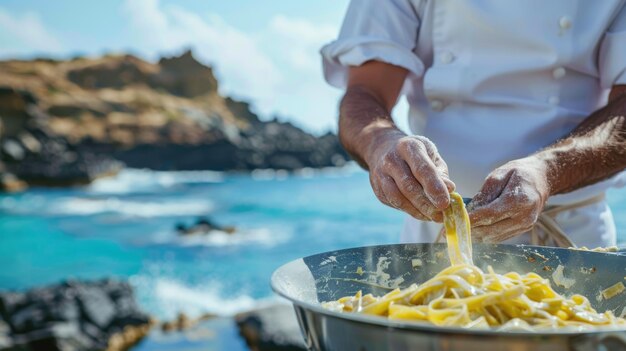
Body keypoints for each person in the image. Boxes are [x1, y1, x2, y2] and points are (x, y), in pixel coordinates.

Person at [321, 0, 626, 247]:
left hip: (571, 236)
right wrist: (381, 143)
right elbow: (364, 93)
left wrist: (547, 171)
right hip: (434, 235)